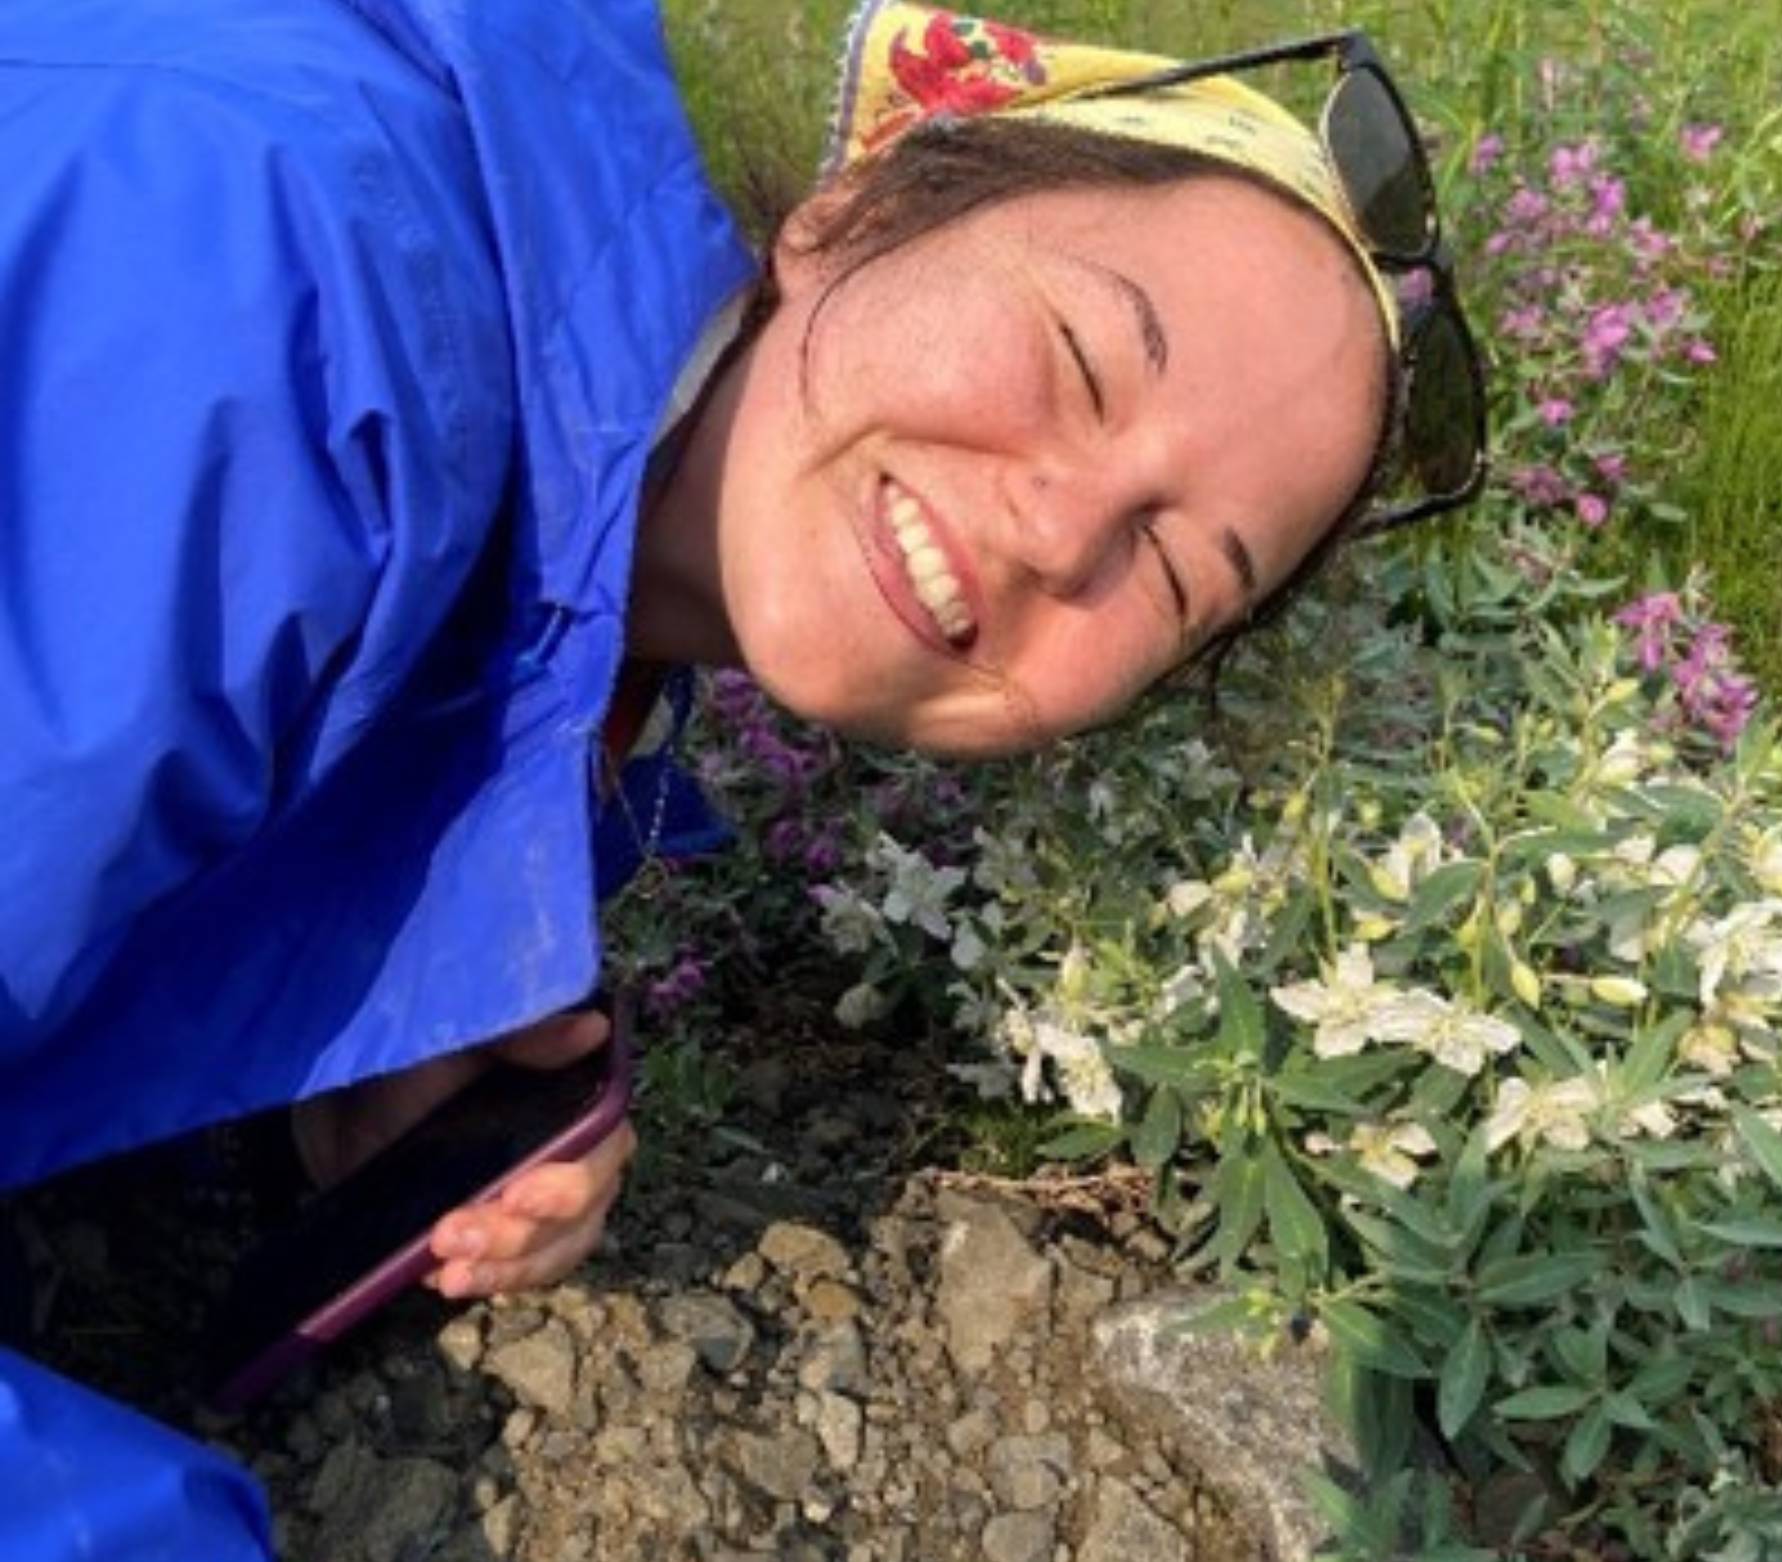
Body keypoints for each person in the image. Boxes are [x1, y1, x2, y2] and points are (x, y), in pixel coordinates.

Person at [0, 0, 1486, 1555]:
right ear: (855, 216)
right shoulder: (290, 300)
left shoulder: (590, 662)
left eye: (1179, 572)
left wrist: (330, 1000)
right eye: (1083, 356)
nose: (1062, 531)